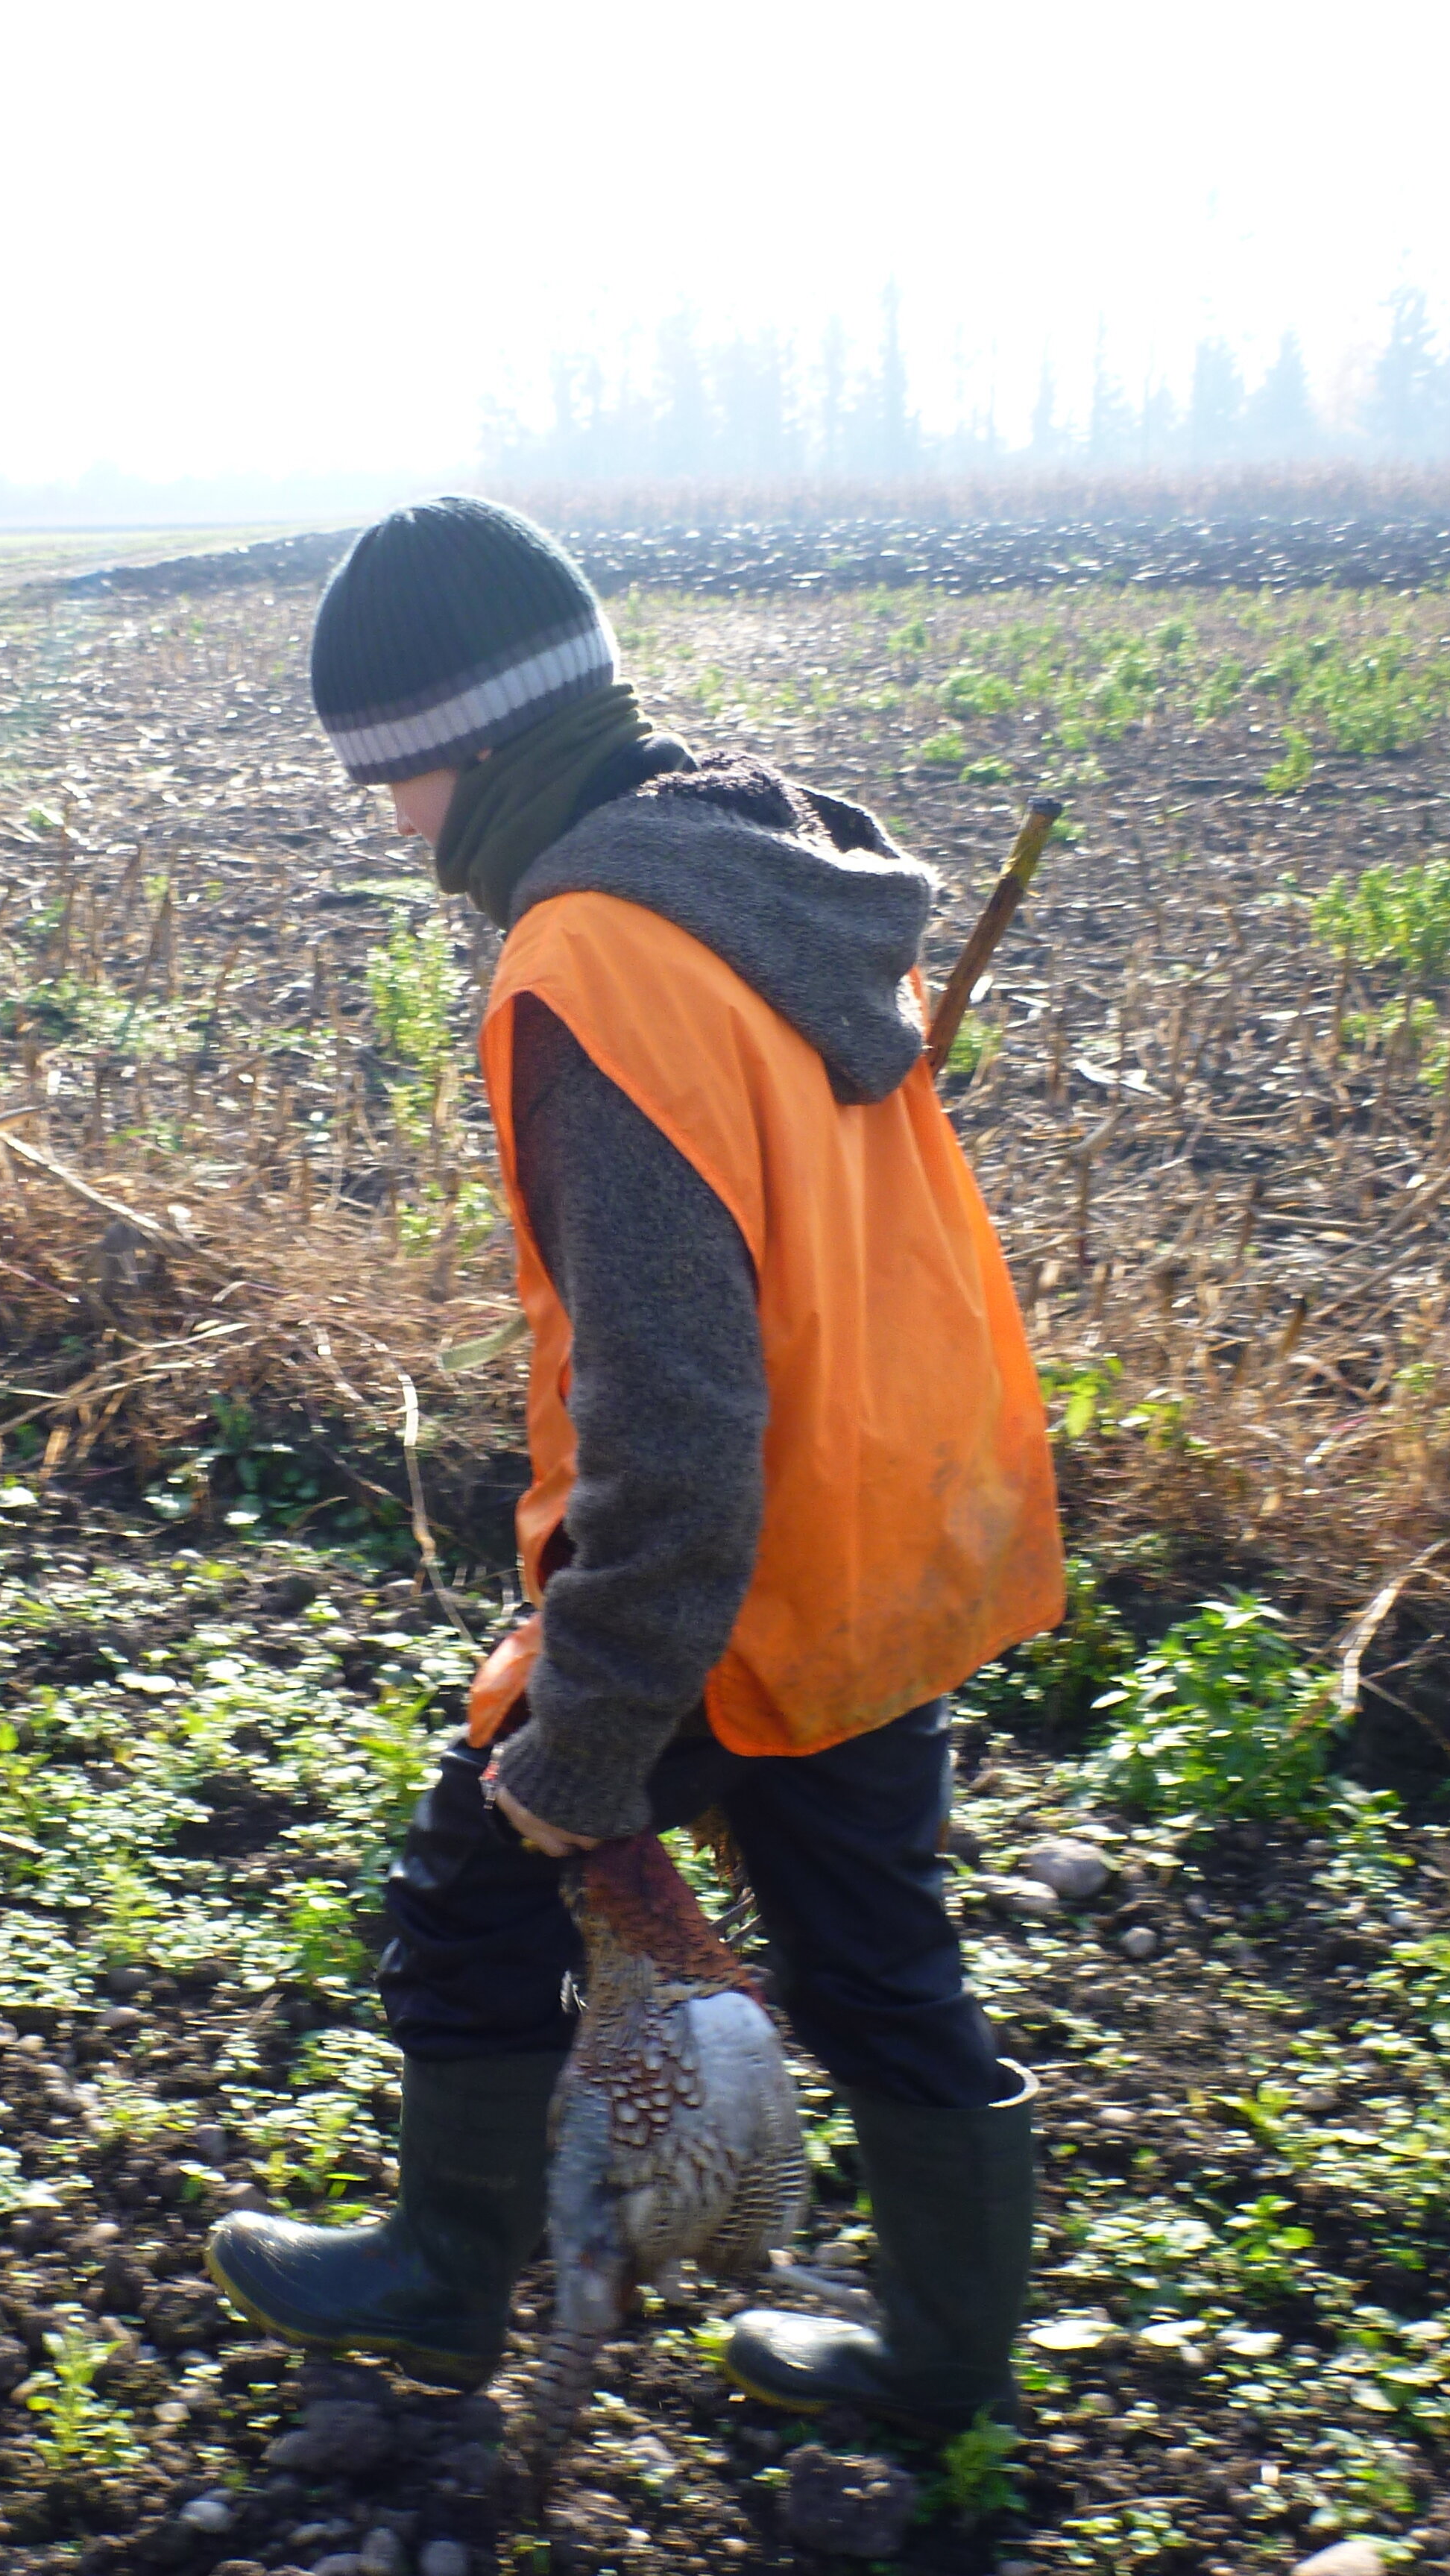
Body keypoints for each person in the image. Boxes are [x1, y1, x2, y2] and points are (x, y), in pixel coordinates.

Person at [207, 496, 1064, 2431]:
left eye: (396, 779)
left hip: (736, 1570)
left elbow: (671, 1410)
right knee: (869, 1960)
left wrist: (582, 1743)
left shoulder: (591, 962)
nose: (396, 831)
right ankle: (945, 2374)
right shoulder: (758, 877)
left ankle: (443, 2279)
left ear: (479, 743)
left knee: (480, 1865)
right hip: (887, 1531)